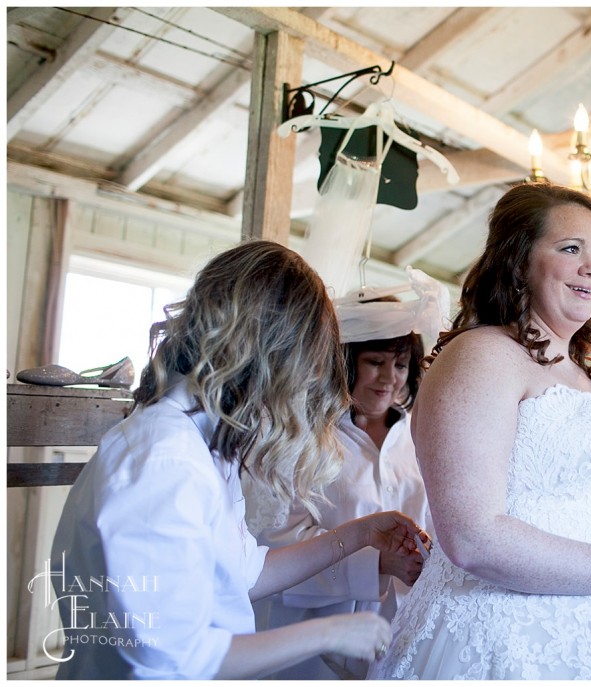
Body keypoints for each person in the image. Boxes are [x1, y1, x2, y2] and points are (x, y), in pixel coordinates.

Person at [47, 240, 428, 679]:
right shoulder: (165, 459)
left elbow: (246, 573)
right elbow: (172, 653)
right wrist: (329, 634)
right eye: (303, 363)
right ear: (267, 355)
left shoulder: (205, 443)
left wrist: (358, 534)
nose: (305, 383)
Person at [368, 182, 591, 680]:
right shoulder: (482, 356)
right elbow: (473, 535)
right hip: (513, 638)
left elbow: (566, 498)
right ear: (518, 260)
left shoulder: (584, 372)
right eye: (570, 249)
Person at [252, 300, 435, 679]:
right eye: (375, 362)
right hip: (315, 636)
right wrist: (376, 565)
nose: (389, 379)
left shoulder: (420, 434)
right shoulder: (304, 435)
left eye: (400, 365)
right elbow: (278, 541)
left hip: (408, 628)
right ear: (346, 361)